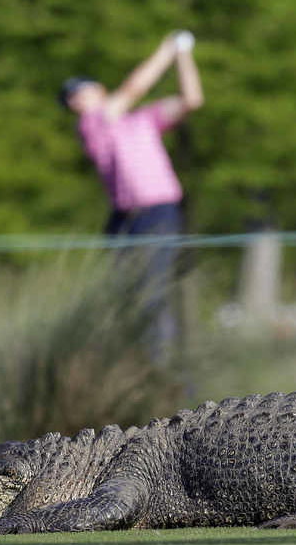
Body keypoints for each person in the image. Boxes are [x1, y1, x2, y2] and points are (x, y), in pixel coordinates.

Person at [60, 30, 204, 357]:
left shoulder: (142, 120)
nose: (74, 100)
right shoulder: (91, 125)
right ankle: (135, 362)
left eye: (78, 92)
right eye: (70, 99)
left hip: (159, 213)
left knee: (152, 294)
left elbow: (192, 99)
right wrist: (167, 48)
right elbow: (133, 88)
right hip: (125, 219)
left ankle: (159, 368)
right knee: (126, 295)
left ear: (99, 90)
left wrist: (183, 56)